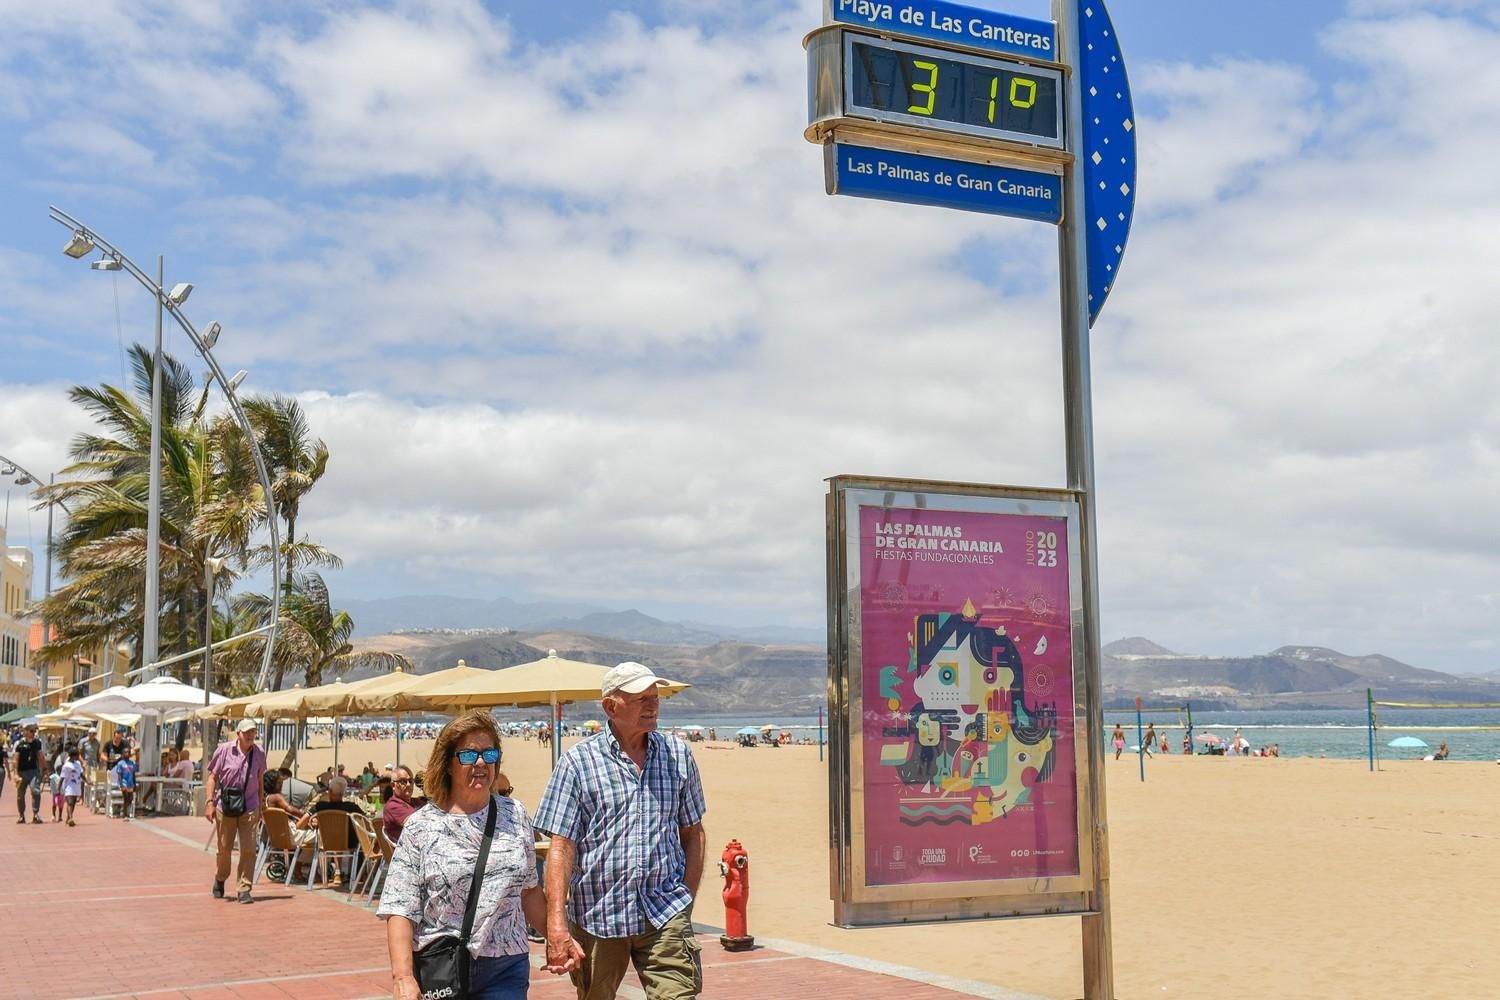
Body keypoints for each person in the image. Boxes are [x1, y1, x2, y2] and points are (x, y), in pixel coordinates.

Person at [536, 662, 706, 1000]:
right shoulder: (578, 763)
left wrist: (685, 898)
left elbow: (693, 832)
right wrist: (556, 924)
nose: (652, 705)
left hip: (665, 911)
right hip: (599, 915)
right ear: (611, 706)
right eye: (641, 698)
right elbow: (561, 847)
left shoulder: (677, 755)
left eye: (655, 698)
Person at [379, 711, 555, 1000]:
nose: (482, 763)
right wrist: (402, 977)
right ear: (448, 763)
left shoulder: (515, 814)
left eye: (490, 753)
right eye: (469, 756)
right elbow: (400, 908)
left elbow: (529, 890)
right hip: (442, 964)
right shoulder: (421, 826)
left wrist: (557, 936)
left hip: (506, 964)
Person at [204, 718, 266, 904]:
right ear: (238, 733)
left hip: (250, 806)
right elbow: (212, 778)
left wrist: (261, 805)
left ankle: (244, 888)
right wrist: (209, 802)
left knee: (248, 849)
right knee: (224, 848)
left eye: (253, 732)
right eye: (246, 732)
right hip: (226, 806)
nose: (250, 735)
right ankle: (221, 877)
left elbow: (260, 779)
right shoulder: (224, 750)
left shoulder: (259, 753)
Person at [296, 777, 364, 885]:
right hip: (349, 844)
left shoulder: (320, 806)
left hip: (325, 843)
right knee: (352, 839)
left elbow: (300, 823)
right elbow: (365, 823)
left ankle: (333, 873)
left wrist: (312, 821)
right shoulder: (352, 807)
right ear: (343, 793)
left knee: (330, 837)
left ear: (330, 791)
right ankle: (356, 876)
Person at [383, 765, 428, 844]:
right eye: (403, 781)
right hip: (408, 853)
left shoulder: (415, 801)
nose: (408, 784)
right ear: (393, 785)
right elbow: (417, 824)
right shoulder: (393, 805)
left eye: (410, 781)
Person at [14, 723, 47, 824]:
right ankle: (21, 815)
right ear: (26, 732)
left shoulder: (37, 743)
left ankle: (35, 814)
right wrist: (15, 774)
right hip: (21, 772)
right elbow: (16, 759)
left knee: (35, 791)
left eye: (34, 731)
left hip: (33, 771)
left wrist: (45, 769)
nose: (33, 733)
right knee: (20, 795)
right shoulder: (18, 744)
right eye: (31, 731)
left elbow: (40, 756)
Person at [60, 748, 85, 827]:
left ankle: (68, 818)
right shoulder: (66, 766)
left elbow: (81, 774)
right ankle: (71, 818)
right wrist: (58, 788)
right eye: (77, 755)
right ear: (73, 756)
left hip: (76, 785)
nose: (78, 757)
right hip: (69, 785)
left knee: (73, 803)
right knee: (70, 802)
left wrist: (87, 781)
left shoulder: (78, 763)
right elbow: (62, 777)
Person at [112, 749, 138, 820]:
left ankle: (124, 810)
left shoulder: (132, 763)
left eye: (128, 752)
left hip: (131, 783)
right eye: (125, 752)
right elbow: (119, 775)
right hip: (124, 782)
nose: (127, 754)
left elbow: (133, 774)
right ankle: (125, 815)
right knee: (125, 798)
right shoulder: (120, 763)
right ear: (122, 754)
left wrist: (135, 783)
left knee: (130, 798)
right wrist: (121, 784)